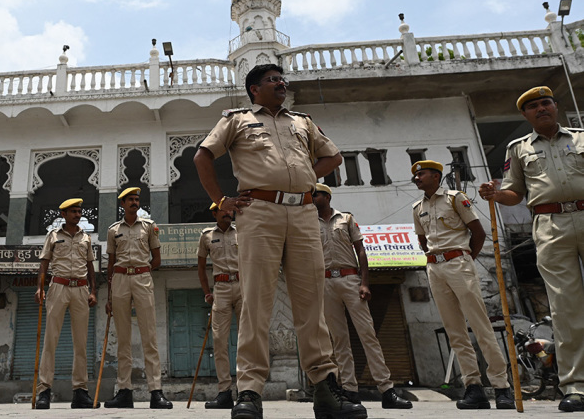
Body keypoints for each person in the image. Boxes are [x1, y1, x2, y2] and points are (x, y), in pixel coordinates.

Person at [194, 63, 366, 419]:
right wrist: (221, 200)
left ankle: (325, 387)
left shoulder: (301, 121)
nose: (281, 83)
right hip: (258, 212)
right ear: (254, 89)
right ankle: (250, 391)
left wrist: (304, 176)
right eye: (272, 80)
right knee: (256, 302)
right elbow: (203, 156)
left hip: (303, 213)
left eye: (282, 79)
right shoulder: (236, 119)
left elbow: (333, 157)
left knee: (311, 304)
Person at [479, 86, 584, 413]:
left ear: (555, 106)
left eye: (546, 103)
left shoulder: (581, 138)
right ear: (525, 115)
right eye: (533, 106)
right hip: (550, 225)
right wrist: (495, 195)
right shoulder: (519, 149)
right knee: (565, 307)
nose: (541, 109)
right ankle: (576, 386)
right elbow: (515, 193)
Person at [411, 160, 514, 410]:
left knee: (480, 325)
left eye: (421, 174)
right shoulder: (417, 207)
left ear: (436, 176)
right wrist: (437, 259)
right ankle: (473, 387)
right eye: (415, 176)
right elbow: (423, 240)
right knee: (454, 331)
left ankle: (501, 387)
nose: (416, 178)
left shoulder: (455, 198)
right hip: (435, 268)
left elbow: (477, 233)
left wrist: (466, 258)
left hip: (459, 263)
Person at [313, 183, 413, 410]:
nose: (312, 198)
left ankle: (387, 390)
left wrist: (364, 282)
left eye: (315, 194)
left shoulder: (345, 219)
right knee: (339, 340)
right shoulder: (308, 223)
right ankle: (349, 390)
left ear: (326, 197)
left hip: (350, 279)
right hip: (326, 283)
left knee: (368, 334)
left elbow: (360, 249)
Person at [104, 187, 173, 409]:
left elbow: (157, 259)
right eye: (130, 200)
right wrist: (109, 295)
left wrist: (141, 271)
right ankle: (124, 391)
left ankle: (156, 391)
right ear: (122, 204)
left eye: (137, 199)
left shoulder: (149, 226)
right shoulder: (113, 230)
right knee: (123, 338)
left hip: (142, 278)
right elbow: (110, 264)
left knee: (149, 336)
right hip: (120, 280)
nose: (135, 202)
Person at [34, 198, 98, 410]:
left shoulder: (86, 238)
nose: (77, 215)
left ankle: (80, 392)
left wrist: (93, 291)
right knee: (50, 340)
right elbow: (44, 264)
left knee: (81, 343)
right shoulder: (52, 236)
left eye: (79, 211)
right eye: (73, 211)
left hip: (80, 289)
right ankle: (44, 391)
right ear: (63, 214)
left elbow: (90, 266)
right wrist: (40, 287)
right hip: (58, 287)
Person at [197, 201, 243, 410]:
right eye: (224, 210)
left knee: (246, 339)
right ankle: (225, 392)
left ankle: (246, 390)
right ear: (214, 212)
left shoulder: (242, 231)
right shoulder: (206, 235)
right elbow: (200, 267)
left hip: (242, 286)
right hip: (221, 289)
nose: (228, 213)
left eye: (230, 210)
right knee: (219, 341)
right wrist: (207, 292)